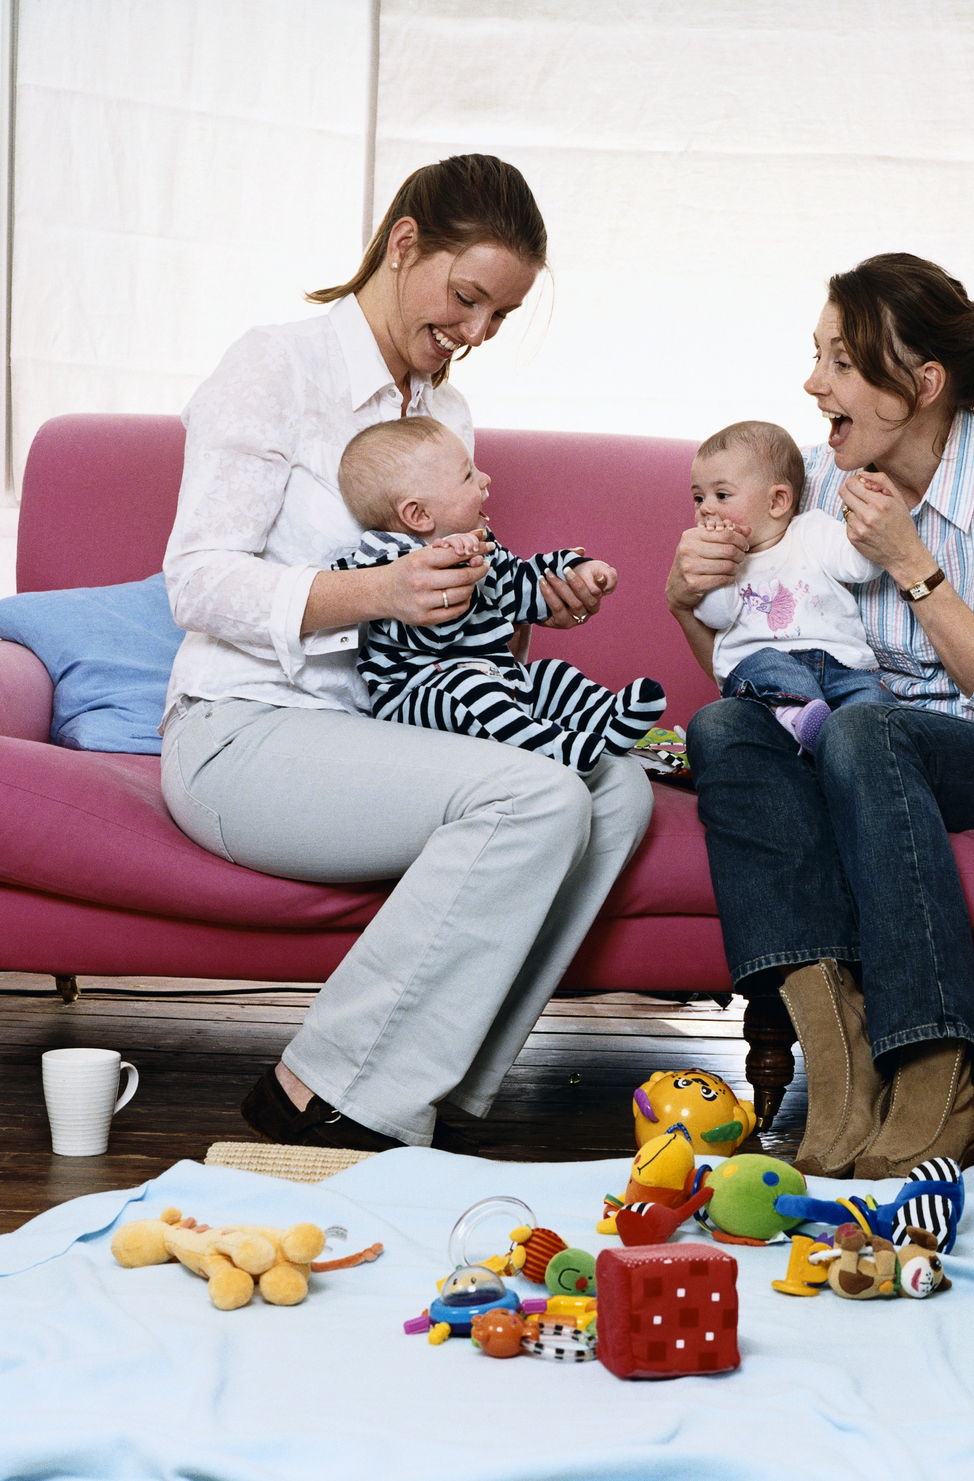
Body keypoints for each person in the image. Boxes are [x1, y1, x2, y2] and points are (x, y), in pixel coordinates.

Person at [160, 155, 653, 1152]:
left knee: (618, 789)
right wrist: (370, 592)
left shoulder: (444, 417)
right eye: (467, 298)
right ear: (402, 243)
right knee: (536, 794)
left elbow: (446, 641)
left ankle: (426, 1087)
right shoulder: (277, 365)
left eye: (499, 317)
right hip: (244, 731)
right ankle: (321, 1090)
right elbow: (196, 577)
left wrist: (527, 608)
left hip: (383, 739)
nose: (475, 334)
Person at [667, 253, 974, 1180]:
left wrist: (912, 561)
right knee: (722, 730)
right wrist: (685, 602)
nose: (812, 382)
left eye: (839, 360)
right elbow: (757, 672)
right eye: (816, 354)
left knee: (869, 728)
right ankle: (842, 1064)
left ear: (921, 385)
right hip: (861, 751)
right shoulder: (819, 489)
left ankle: (936, 1077)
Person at [332, 415, 666, 773]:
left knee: (550, 675)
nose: (485, 478)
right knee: (471, 691)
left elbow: (522, 583)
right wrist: (453, 564)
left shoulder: (481, 546)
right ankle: (552, 749)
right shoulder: (383, 560)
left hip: (497, 673)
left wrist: (575, 573)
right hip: (420, 695)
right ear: (418, 514)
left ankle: (606, 720)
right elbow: (434, 631)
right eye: (467, 476)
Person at [689, 419, 894, 753]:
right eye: (698, 498)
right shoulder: (720, 561)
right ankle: (797, 716)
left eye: (721, 495)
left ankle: (859, 745)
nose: (706, 508)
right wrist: (720, 565)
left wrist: (873, 521)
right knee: (766, 664)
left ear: (778, 501)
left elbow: (861, 567)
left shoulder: (812, 531)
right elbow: (717, 617)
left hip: (840, 664)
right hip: (768, 670)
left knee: (872, 701)